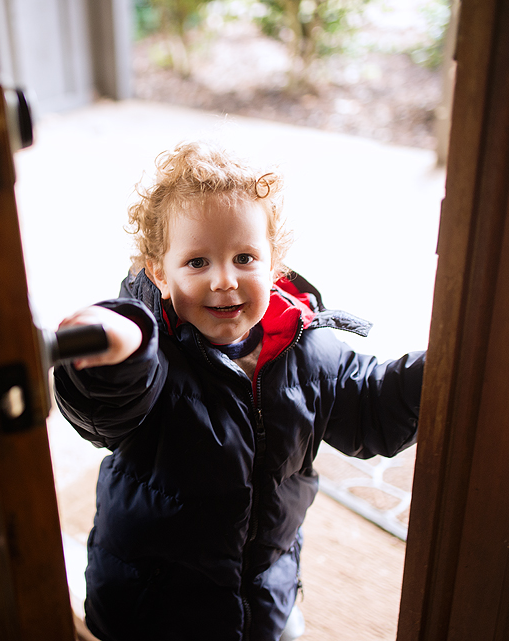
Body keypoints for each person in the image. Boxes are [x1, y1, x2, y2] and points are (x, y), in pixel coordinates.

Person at [53, 141, 425, 641]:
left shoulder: (307, 348)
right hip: (152, 599)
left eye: (245, 257)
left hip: (263, 580)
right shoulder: (153, 352)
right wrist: (114, 353)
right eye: (198, 262)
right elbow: (104, 409)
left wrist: (442, 369)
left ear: (275, 266)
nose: (224, 280)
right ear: (159, 272)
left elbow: (375, 406)